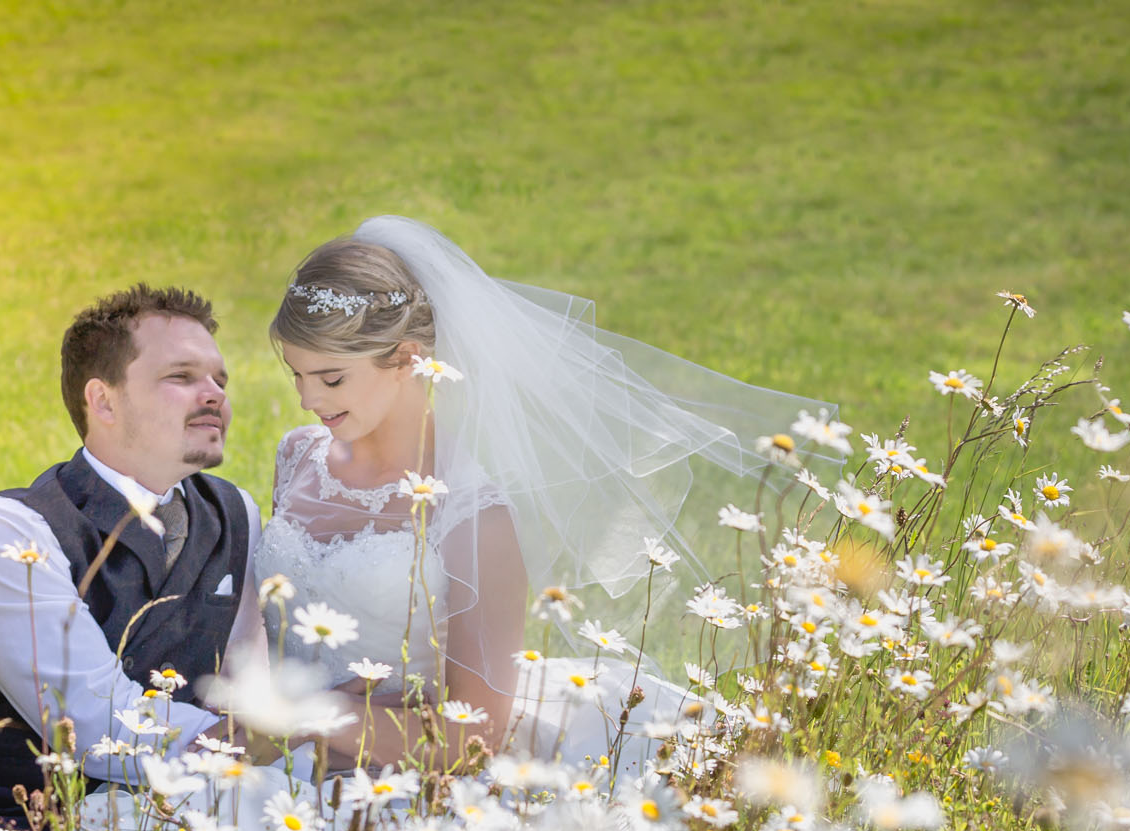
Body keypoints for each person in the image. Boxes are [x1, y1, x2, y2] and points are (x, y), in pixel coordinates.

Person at [256, 216, 841, 788]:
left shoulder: (472, 512)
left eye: (331, 379)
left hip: (398, 778)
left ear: (408, 359)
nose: (309, 399)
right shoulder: (298, 456)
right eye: (296, 374)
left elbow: (472, 738)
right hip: (264, 751)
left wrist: (315, 719)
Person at [0, 283, 293, 831]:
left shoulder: (234, 514)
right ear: (104, 402)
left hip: (172, 827)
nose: (213, 394)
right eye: (181, 377)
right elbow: (90, 720)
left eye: (220, 379)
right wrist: (280, 737)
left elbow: (245, 681)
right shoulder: (2, 532)